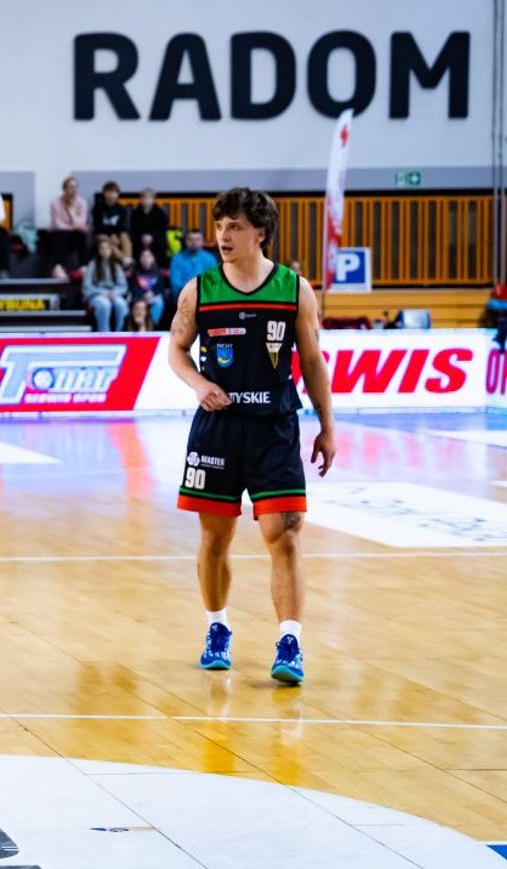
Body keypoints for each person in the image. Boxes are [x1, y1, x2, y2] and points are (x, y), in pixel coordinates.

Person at [168, 187, 336, 686]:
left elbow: (312, 362)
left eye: (235, 226)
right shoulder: (199, 289)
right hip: (217, 430)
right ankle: (217, 628)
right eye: (220, 226)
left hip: (274, 428)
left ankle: (290, 641)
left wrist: (327, 426)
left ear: (260, 232)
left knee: (284, 533)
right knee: (215, 536)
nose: (223, 235)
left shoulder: (293, 289)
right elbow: (176, 350)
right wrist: (199, 384)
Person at [82, 238, 129, 332]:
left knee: (121, 304)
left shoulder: (116, 266)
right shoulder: (92, 265)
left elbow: (123, 286)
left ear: (111, 250)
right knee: (104, 304)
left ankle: (120, 332)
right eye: (102, 248)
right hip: (96, 294)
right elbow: (86, 286)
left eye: (107, 248)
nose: (104, 250)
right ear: (99, 250)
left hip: (114, 294)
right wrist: (102, 293)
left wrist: (114, 293)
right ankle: (104, 333)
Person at [46, 176, 89, 276]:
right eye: (70, 187)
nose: (73, 190)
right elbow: (57, 224)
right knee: (61, 235)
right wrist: (74, 226)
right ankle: (59, 268)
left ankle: (84, 267)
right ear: (64, 189)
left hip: (75, 234)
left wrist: (72, 214)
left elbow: (82, 222)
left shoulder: (82, 202)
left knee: (81, 235)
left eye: (75, 187)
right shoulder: (55, 203)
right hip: (59, 234)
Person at [91, 181, 133, 264]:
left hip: (116, 234)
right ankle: (125, 261)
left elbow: (122, 226)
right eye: (108, 192)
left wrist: (116, 235)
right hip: (101, 234)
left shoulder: (121, 209)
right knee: (106, 241)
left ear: (117, 194)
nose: (111, 195)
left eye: (114, 192)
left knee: (124, 235)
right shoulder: (97, 208)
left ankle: (127, 259)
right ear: (104, 193)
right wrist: (111, 236)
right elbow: (98, 226)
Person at [169, 229, 218, 295]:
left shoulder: (210, 258)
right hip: (183, 295)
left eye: (197, 239)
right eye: (190, 239)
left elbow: (213, 281)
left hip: (205, 295)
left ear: (203, 241)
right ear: (185, 241)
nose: (194, 242)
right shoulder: (177, 258)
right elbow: (175, 283)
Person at [128, 247, 168, 327]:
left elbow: (161, 289)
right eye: (143, 256)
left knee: (159, 302)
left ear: (153, 258)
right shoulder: (135, 272)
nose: (146, 259)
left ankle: (152, 325)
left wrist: (152, 294)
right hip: (139, 296)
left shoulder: (158, 272)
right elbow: (133, 288)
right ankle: (138, 325)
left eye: (148, 256)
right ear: (140, 259)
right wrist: (143, 295)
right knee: (138, 303)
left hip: (153, 296)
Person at [130, 186, 169, 266]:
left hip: (155, 238)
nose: (146, 200)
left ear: (153, 199)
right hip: (139, 239)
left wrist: (152, 236)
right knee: (133, 240)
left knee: (162, 240)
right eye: (144, 197)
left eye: (149, 198)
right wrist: (142, 236)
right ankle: (137, 265)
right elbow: (133, 228)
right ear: (141, 199)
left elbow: (162, 227)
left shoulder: (160, 212)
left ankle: (159, 265)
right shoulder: (135, 212)